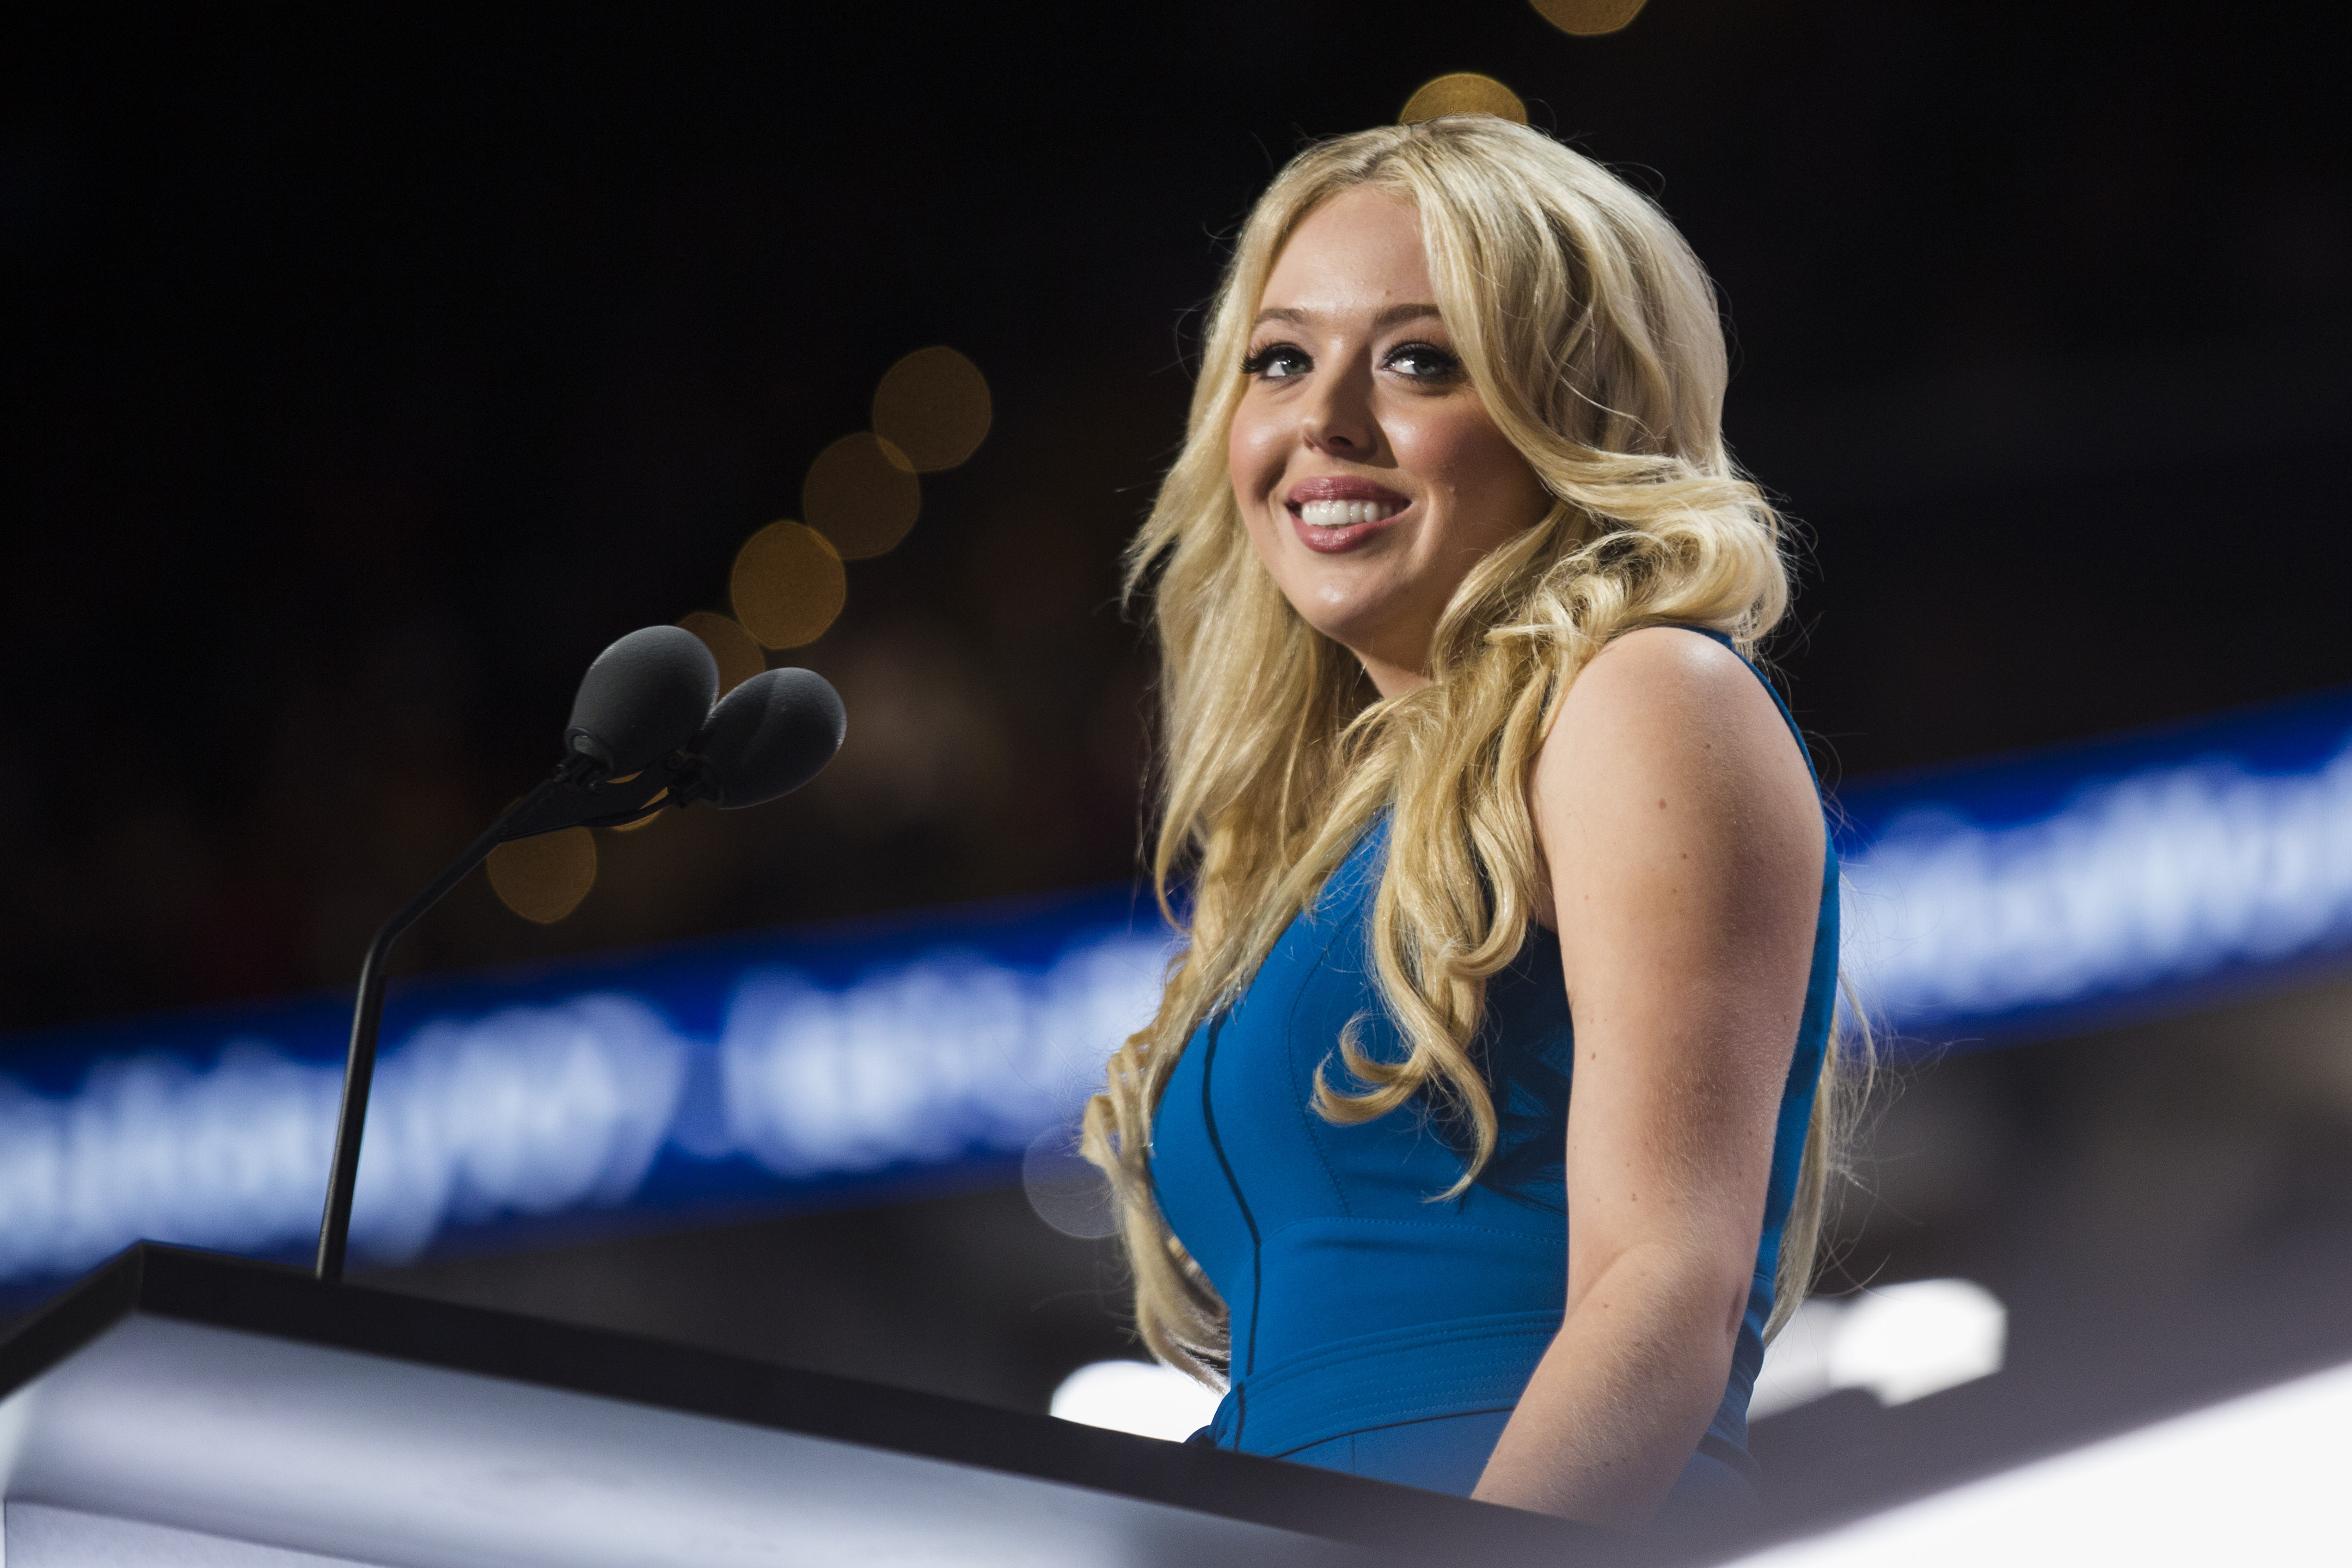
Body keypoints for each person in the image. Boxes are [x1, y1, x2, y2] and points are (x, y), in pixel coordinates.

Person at [1081, 114, 1856, 1529]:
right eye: (1280, 360)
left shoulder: (1645, 697)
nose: (1324, 419)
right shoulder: (1322, 840)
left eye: (1419, 360)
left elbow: (1663, 1287)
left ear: (1578, 414)